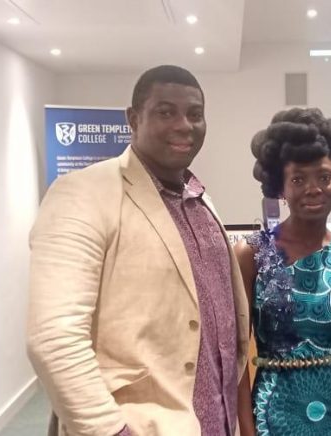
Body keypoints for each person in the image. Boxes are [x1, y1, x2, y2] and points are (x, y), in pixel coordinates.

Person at [27, 65, 250, 436]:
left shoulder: (200, 199)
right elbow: (54, 338)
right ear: (133, 118)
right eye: (166, 112)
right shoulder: (83, 193)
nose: (184, 125)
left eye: (195, 114)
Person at [234, 108, 331, 436]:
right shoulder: (253, 254)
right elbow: (234, 360)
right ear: (281, 188)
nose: (313, 188)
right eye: (298, 179)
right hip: (273, 420)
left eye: (323, 176)